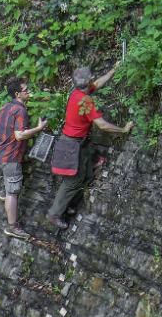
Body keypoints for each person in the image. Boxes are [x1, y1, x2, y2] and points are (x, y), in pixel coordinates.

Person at [45, 64, 132, 228]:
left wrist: (113, 70)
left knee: (86, 175)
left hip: (77, 143)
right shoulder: (85, 101)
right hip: (72, 145)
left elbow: (97, 84)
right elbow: (103, 125)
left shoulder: (77, 93)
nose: (93, 80)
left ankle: (69, 206)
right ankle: (54, 214)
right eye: (91, 78)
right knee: (72, 181)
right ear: (88, 80)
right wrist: (123, 130)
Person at [0, 77, 46, 239]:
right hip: (10, 157)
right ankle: (12, 227)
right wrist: (39, 128)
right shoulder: (20, 110)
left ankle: (7, 196)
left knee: (10, 186)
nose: (29, 92)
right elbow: (20, 135)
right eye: (25, 90)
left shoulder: (5, 107)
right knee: (13, 192)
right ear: (17, 94)